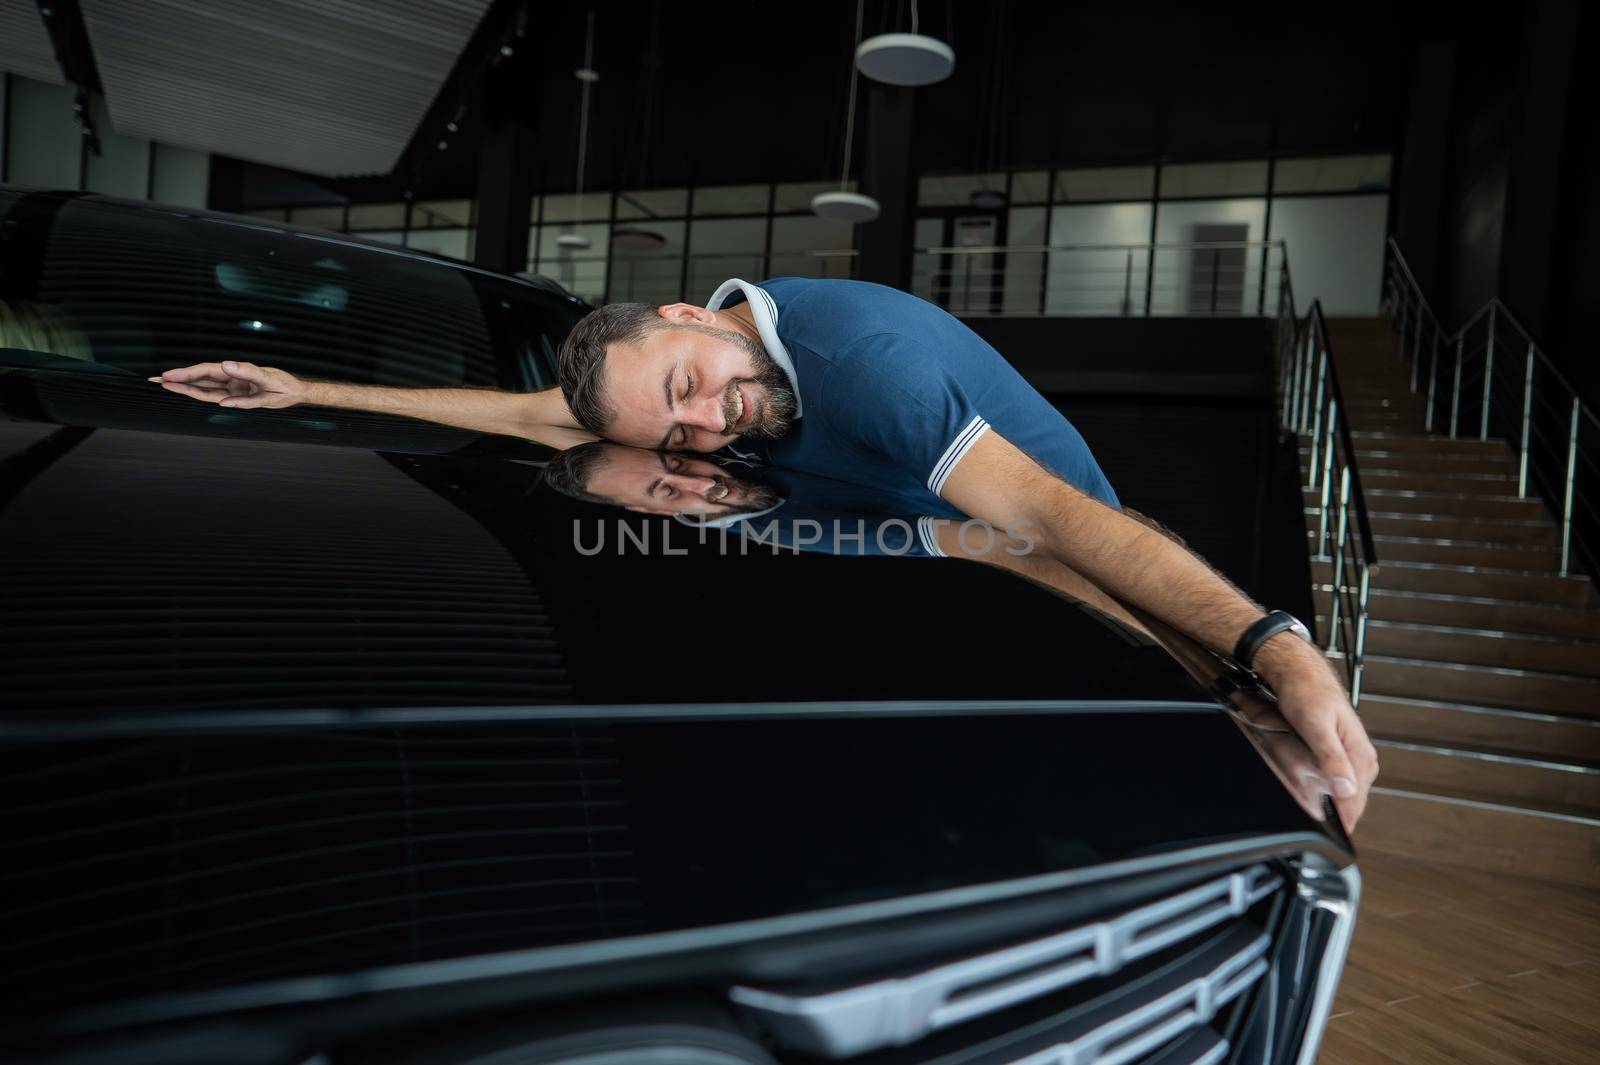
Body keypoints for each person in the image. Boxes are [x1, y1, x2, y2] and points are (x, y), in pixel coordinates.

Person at [155, 275, 1377, 828]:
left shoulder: (867, 367)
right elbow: (517, 411)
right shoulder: (681, 398)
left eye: (692, 388)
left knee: (1120, 608)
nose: (702, 425)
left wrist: (1268, 654)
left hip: (1026, 531)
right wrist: (303, 387)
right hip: (922, 532)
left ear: (695, 311)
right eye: (672, 427)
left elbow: (1048, 535)